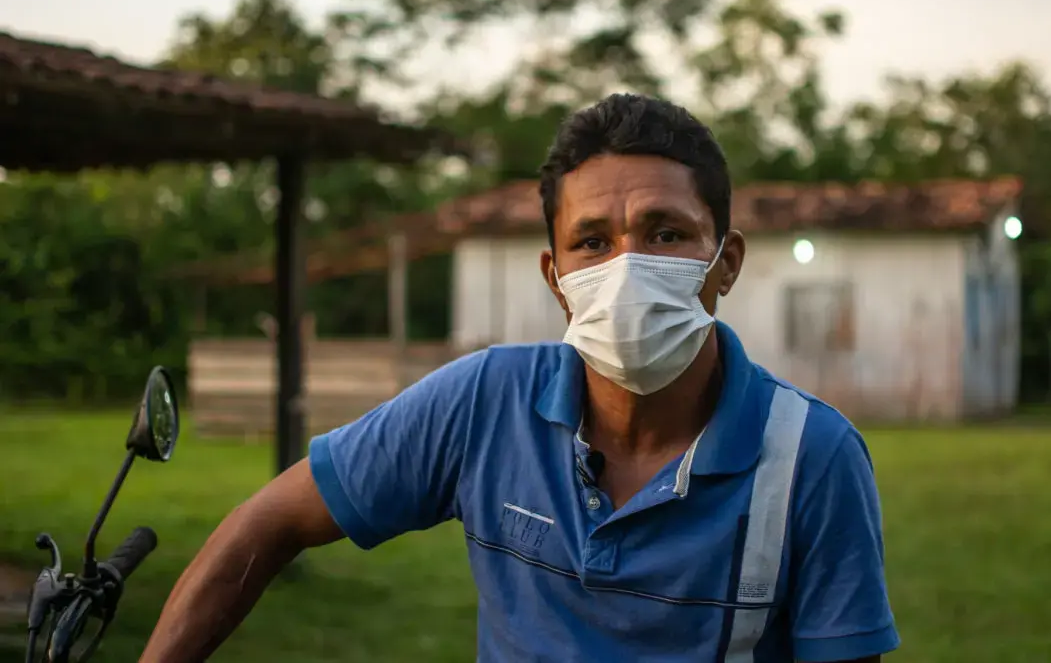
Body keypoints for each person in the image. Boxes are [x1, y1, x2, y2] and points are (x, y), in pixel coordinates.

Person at [139, 94, 899, 663]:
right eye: (592, 241)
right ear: (556, 276)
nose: (627, 268)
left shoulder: (811, 457)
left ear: (724, 260)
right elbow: (269, 521)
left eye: (665, 234)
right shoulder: (483, 402)